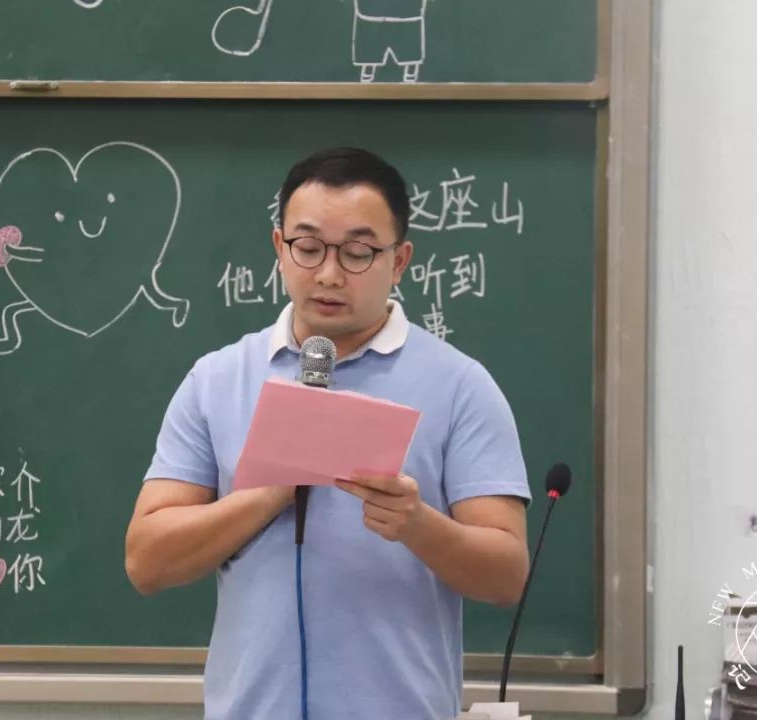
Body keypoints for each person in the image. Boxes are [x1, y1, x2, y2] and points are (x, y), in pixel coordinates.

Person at [125, 147, 531, 719]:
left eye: (358, 252)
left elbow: (507, 575)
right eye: (309, 247)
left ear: (400, 260)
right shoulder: (217, 380)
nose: (329, 274)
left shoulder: (460, 386)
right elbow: (147, 561)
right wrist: (267, 495)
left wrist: (417, 525)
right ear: (279, 248)